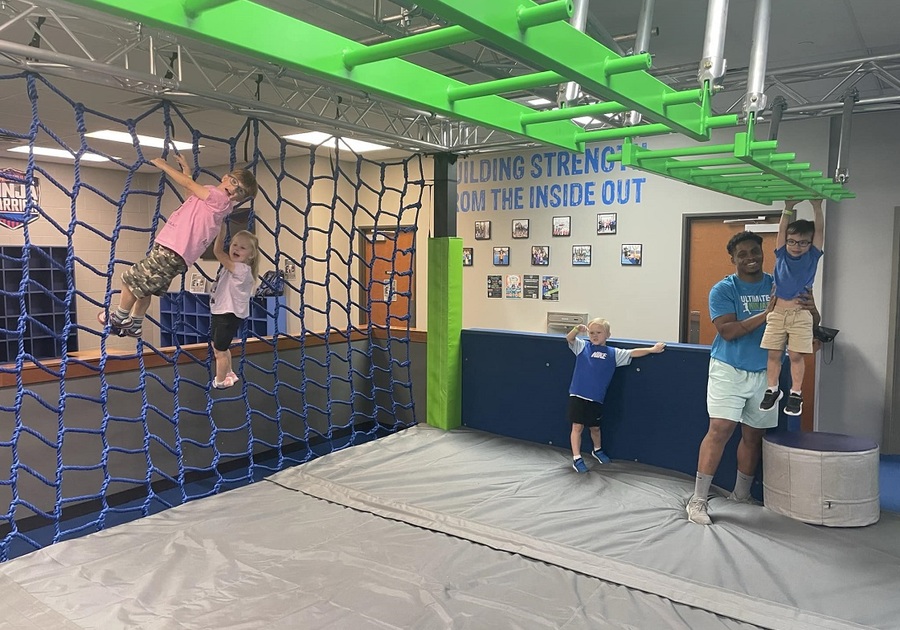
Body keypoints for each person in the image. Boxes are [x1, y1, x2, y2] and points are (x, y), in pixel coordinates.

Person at [686, 231, 818, 525]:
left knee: (753, 435)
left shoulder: (780, 282)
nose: (750, 258)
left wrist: (812, 308)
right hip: (728, 369)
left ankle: (741, 494)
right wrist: (768, 313)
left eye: (754, 252)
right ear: (733, 259)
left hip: (765, 373)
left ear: (763, 253)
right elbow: (728, 331)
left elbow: (811, 323)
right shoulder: (723, 289)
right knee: (719, 429)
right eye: (742, 254)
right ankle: (698, 500)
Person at [98, 152, 258, 338]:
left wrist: (163, 166)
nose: (235, 191)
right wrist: (187, 171)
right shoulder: (215, 201)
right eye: (235, 184)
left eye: (241, 193)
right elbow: (191, 195)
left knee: (130, 279)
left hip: (172, 250)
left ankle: (119, 318)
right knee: (144, 289)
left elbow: (189, 185)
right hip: (175, 253)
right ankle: (135, 324)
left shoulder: (219, 199)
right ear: (226, 178)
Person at [566, 318, 666, 473]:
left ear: (607, 335)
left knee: (595, 428)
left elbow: (632, 353)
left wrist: (652, 349)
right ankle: (577, 458)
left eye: (599, 333)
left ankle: (597, 450)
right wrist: (576, 329)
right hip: (578, 395)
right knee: (577, 426)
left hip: (596, 398)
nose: (595, 335)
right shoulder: (582, 347)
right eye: (591, 333)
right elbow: (569, 338)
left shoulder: (613, 354)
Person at [759, 199, 825, 416]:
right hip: (777, 312)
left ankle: (795, 393)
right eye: (792, 241)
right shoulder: (781, 254)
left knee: (796, 355)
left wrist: (817, 206)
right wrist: (788, 207)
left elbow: (819, 231)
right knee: (773, 353)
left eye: (803, 242)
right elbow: (781, 230)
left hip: (800, 313)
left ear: (810, 244)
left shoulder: (812, 257)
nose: (797, 246)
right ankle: (772, 389)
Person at [209, 224, 259, 389]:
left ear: (251, 255)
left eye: (243, 248)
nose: (236, 249)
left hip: (228, 315)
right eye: (234, 244)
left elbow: (217, 252)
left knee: (220, 350)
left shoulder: (241, 269)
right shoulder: (232, 267)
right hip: (221, 311)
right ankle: (229, 372)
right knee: (216, 345)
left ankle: (220, 381)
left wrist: (221, 231)